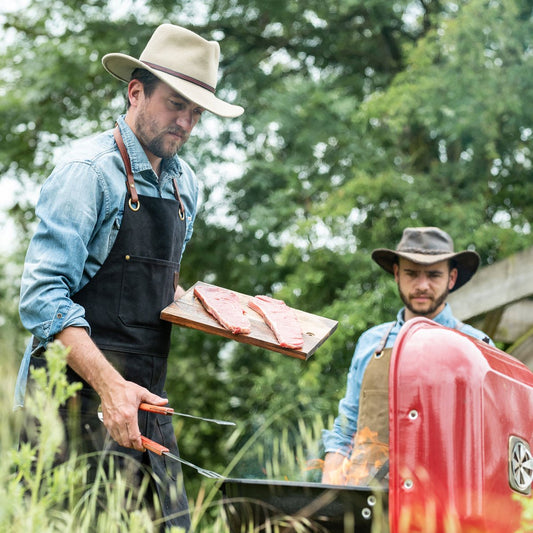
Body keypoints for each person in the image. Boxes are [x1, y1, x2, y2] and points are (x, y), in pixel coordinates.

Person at [14, 23, 243, 530]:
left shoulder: (187, 184)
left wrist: (216, 312)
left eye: (196, 112)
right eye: (175, 104)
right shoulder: (87, 172)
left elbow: (155, 287)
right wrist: (112, 388)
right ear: (135, 92)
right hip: (70, 407)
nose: (185, 122)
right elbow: (42, 298)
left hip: (148, 401)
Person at [321, 226, 493, 485]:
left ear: (452, 278)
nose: (422, 285)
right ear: (397, 274)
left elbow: (495, 439)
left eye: (434, 275)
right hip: (371, 502)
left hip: (447, 504)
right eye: (412, 274)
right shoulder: (370, 343)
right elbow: (346, 429)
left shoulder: (477, 347)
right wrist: (327, 497)